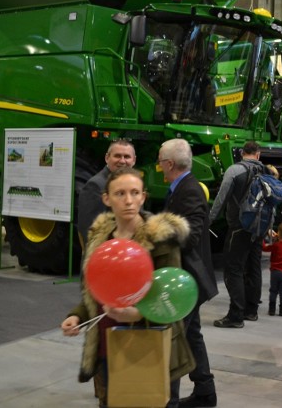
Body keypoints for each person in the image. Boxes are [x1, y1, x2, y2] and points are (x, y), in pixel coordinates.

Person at [61, 168, 194, 408]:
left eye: (134, 193)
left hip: (151, 342)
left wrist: (138, 312)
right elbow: (96, 289)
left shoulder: (160, 237)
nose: (128, 200)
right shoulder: (99, 238)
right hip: (107, 342)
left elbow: (170, 296)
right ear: (106, 199)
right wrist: (77, 316)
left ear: (144, 196)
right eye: (120, 193)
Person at [158, 139, 219, 408]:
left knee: (174, 338)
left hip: (188, 281)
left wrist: (156, 233)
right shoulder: (181, 188)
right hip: (188, 278)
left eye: (160, 161)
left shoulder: (189, 190)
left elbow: (192, 235)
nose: (159, 166)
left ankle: (168, 401)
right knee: (191, 334)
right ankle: (205, 392)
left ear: (169, 164)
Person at [209, 141, 266, 328]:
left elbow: (221, 198)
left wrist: (208, 220)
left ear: (242, 153)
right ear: (258, 154)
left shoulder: (234, 171)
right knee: (254, 267)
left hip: (239, 226)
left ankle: (235, 316)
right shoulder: (266, 172)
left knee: (233, 269)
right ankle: (251, 311)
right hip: (259, 229)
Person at [77, 139, 136, 242]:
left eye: (127, 157)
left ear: (134, 160)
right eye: (117, 156)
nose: (122, 161)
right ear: (107, 158)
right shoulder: (95, 186)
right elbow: (90, 232)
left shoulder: (134, 185)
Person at [263, 221, 282, 317]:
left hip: (275, 272)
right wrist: (278, 237)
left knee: (273, 291)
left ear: (278, 232)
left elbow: (264, 248)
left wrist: (262, 239)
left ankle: (272, 309)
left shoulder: (276, 245)